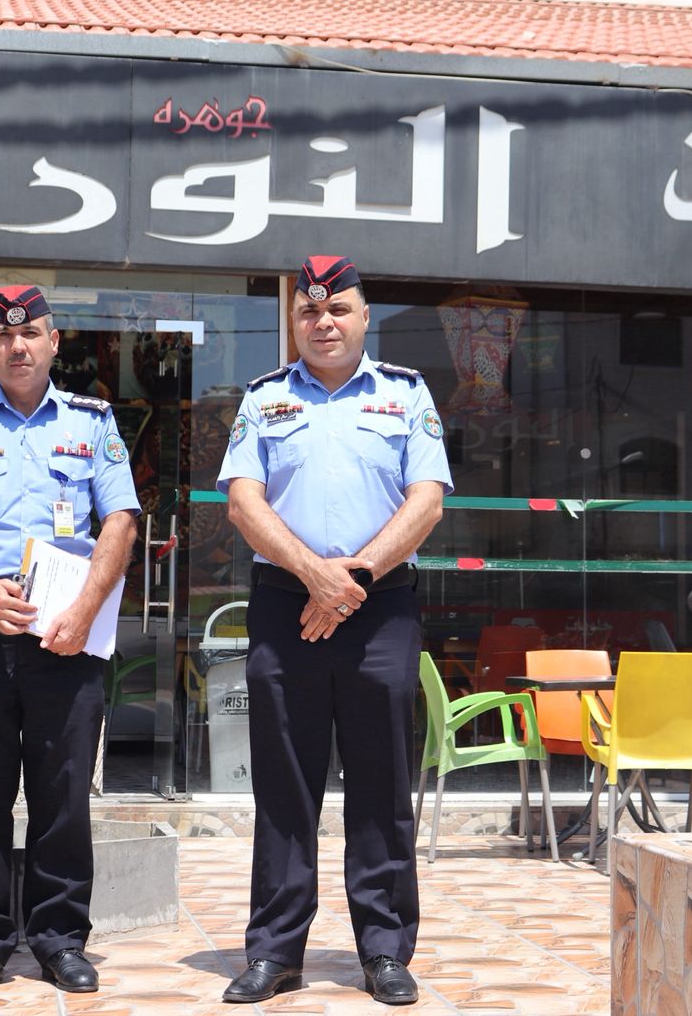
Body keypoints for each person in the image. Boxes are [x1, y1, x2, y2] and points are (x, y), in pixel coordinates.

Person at [215, 256, 452, 1006]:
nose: (323, 323)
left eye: (338, 309)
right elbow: (244, 503)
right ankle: (275, 951)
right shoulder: (264, 399)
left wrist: (353, 579)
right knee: (284, 785)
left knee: (382, 783)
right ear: (294, 322)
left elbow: (427, 501)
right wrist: (315, 575)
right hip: (286, 607)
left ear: (364, 317)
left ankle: (384, 949)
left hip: (379, 607)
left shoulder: (405, 394)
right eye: (309, 312)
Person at [0, 285, 138, 998]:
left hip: (66, 631)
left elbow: (121, 520)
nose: (17, 346)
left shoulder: (92, 423)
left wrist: (86, 607)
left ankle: (60, 937)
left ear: (52, 341)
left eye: (30, 333)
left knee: (62, 792)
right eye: (3, 335)